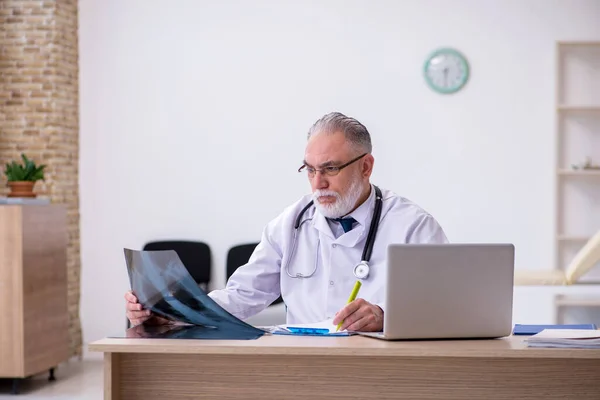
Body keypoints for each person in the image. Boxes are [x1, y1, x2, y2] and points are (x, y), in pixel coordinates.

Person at [125, 112, 448, 332]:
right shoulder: (290, 223)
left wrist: (386, 316)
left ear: (366, 167)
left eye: (330, 169)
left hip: (383, 367)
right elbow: (242, 295)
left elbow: (443, 309)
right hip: (301, 362)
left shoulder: (413, 226)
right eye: (309, 169)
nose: (317, 183)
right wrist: (170, 312)